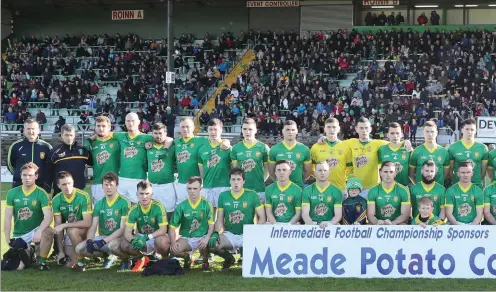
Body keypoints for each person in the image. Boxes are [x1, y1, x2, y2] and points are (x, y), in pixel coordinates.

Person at [211, 168, 266, 272]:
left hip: (247, 234)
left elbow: (262, 217)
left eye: (238, 179)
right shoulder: (223, 196)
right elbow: (219, 219)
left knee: (249, 262)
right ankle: (229, 258)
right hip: (230, 234)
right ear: (229, 181)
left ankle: (245, 255)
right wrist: (217, 233)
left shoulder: (252, 195)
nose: (236, 182)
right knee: (212, 245)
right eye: (233, 179)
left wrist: (256, 231)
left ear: (243, 181)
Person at [74, 172, 131, 271]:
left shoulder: (124, 202)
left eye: (111, 185)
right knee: (79, 248)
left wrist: (103, 241)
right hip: (105, 237)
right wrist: (90, 241)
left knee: (112, 246)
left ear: (117, 185)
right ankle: (108, 256)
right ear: (102, 186)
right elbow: (93, 225)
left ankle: (126, 259)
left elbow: (122, 229)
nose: (108, 187)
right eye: (106, 185)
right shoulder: (99, 204)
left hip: (120, 238)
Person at [3, 162, 53, 271]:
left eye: (30, 175)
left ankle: (42, 261)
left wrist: (39, 231)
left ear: (36, 176)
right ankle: (30, 251)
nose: (27, 178)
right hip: (20, 235)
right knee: (19, 267)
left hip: (36, 231)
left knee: (48, 231)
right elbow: (7, 218)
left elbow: (49, 216)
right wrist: (7, 240)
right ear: (20, 176)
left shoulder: (41, 193)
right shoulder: (12, 193)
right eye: (24, 175)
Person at [173, 117, 230, 208]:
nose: (185, 129)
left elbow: (218, 140)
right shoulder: (175, 142)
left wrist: (227, 142)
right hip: (181, 182)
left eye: (187, 126)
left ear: (193, 127)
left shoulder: (202, 140)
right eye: (183, 127)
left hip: (198, 184)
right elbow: (165, 141)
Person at [120, 181, 170, 271]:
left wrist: (147, 237)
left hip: (156, 237)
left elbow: (163, 229)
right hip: (141, 237)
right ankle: (142, 259)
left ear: (152, 194)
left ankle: (165, 260)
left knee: (163, 241)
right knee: (124, 245)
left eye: (147, 193)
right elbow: (127, 232)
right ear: (137, 194)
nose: (144, 196)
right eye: (141, 193)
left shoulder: (159, 207)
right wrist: (134, 240)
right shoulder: (133, 210)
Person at [169, 176, 214, 271]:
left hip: (202, 237)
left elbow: (211, 226)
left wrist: (206, 238)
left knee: (209, 242)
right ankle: (187, 258)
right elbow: (172, 227)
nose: (192, 191)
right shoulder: (181, 206)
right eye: (189, 188)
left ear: (200, 189)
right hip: (187, 239)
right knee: (174, 249)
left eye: (195, 188)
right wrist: (173, 242)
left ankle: (205, 261)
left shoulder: (206, 205)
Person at [51, 171, 93, 271]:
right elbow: (58, 227)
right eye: (64, 184)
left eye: (69, 183)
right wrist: (60, 251)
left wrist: (65, 225)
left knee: (71, 230)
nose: (67, 186)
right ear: (58, 186)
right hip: (71, 234)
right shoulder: (56, 200)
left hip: (85, 231)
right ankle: (82, 256)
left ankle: (82, 260)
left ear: (73, 182)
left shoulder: (83, 196)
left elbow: (88, 223)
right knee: (68, 265)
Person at [112, 112, 154, 203]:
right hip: (122, 178)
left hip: (138, 179)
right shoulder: (120, 136)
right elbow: (104, 134)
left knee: (137, 207)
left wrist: (151, 144)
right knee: (121, 207)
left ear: (139, 122)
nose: (131, 123)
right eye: (128, 121)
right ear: (125, 122)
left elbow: (166, 139)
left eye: (133, 121)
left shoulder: (146, 137)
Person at [345, 117, 389, 198]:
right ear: (356, 129)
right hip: (356, 187)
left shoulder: (378, 143)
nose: (364, 130)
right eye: (361, 128)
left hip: (373, 187)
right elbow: (336, 143)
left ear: (370, 129)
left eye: (366, 128)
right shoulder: (351, 142)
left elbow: (395, 144)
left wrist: (406, 142)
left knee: (373, 211)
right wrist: (324, 138)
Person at [310, 118, 351, 198]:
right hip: (321, 189)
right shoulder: (316, 147)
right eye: (328, 127)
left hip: (340, 188)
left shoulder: (346, 146)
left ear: (338, 129)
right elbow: (311, 168)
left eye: (334, 127)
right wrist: (320, 177)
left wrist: (342, 177)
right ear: (324, 129)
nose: (331, 129)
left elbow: (350, 168)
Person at [7, 119, 53, 192]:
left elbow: (51, 167)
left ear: (38, 130)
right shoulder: (15, 146)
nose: (31, 131)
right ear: (24, 130)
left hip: (41, 187)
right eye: (28, 128)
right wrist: (21, 176)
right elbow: (11, 165)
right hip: (20, 186)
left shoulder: (47, 147)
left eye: (33, 129)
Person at [231, 118, 270, 202]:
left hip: (259, 189)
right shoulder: (236, 148)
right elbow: (235, 170)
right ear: (242, 130)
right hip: (241, 190)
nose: (247, 132)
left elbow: (268, 169)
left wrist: (262, 180)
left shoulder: (263, 147)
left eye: (250, 129)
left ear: (255, 130)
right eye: (245, 129)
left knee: (260, 215)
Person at [84, 115, 120, 203]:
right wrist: (88, 140)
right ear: (95, 128)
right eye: (98, 126)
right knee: (98, 211)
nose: (101, 128)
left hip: (115, 182)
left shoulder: (116, 142)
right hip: (98, 182)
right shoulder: (92, 143)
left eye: (103, 126)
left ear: (109, 127)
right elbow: (84, 150)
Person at [47, 124, 91, 195]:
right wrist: (47, 189)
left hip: (79, 192)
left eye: (71, 135)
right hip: (60, 192)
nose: (69, 138)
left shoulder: (83, 150)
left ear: (74, 135)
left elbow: (93, 163)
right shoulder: (54, 152)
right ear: (61, 135)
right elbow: (48, 172)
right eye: (66, 135)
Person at [198, 118, 231, 208]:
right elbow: (201, 172)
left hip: (224, 186)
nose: (213, 132)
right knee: (208, 217)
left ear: (221, 130)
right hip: (207, 186)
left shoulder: (228, 148)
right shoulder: (202, 150)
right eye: (210, 129)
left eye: (215, 129)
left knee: (224, 215)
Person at [268, 120, 311, 189]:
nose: (290, 132)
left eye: (293, 130)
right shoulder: (274, 149)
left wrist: (298, 182)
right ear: (282, 131)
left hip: (298, 189)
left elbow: (307, 172)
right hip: (280, 189)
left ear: (297, 131)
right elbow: (271, 172)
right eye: (287, 129)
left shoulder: (305, 149)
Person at [448, 118, 489, 190]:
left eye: (472, 129)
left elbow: (483, 172)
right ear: (462, 130)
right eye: (467, 129)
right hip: (458, 186)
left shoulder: (483, 148)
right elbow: (450, 170)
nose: (469, 132)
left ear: (475, 131)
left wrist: (476, 180)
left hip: (476, 186)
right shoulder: (453, 147)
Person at [147, 123, 175, 218]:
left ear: (165, 133)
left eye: (160, 133)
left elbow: (171, 139)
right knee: (153, 214)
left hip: (167, 185)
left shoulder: (172, 145)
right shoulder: (148, 146)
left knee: (169, 213)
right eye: (155, 133)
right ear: (152, 134)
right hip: (152, 186)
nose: (158, 136)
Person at [301, 161, 343, 226]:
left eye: (325, 170)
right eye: (320, 170)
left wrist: (329, 224)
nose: (322, 173)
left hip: (330, 223)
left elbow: (338, 215)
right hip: (312, 223)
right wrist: (313, 226)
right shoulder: (307, 190)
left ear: (329, 172)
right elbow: (305, 214)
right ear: (314, 172)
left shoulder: (336, 191)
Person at [409, 121, 450, 185]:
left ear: (437, 133)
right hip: (420, 192)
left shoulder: (444, 152)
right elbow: (411, 174)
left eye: (432, 131)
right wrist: (418, 187)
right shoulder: (416, 151)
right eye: (427, 131)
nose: (430, 134)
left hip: (438, 192)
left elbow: (446, 174)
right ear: (423, 133)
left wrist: (438, 184)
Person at [445, 161, 484, 225]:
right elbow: (449, 214)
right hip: (456, 224)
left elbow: (479, 215)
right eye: (463, 172)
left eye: (468, 172)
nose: (465, 175)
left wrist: (471, 228)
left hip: (473, 224)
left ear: (472, 173)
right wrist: (460, 227)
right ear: (458, 174)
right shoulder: (451, 190)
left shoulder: (478, 191)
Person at [265, 160, 303, 224]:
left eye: (284, 170)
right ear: (275, 172)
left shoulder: (298, 190)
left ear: (290, 172)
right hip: (274, 224)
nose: (281, 172)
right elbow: (269, 212)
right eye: (279, 170)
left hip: (292, 224)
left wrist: (288, 226)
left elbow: (298, 213)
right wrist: (276, 225)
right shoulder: (269, 189)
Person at [378, 122, 412, 187]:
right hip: (386, 187)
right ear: (388, 135)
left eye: (397, 133)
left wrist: (406, 140)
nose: (395, 136)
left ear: (401, 134)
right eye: (392, 133)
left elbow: (413, 169)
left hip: (404, 186)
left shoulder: (408, 148)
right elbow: (378, 167)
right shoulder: (382, 149)